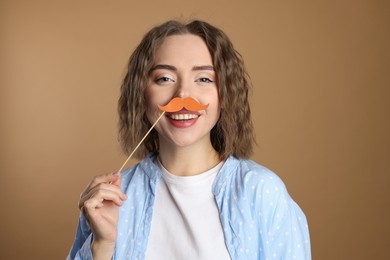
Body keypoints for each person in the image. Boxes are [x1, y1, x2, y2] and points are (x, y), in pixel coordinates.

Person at [67, 20, 311, 260]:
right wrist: (102, 245)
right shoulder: (112, 199)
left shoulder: (262, 192)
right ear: (141, 93)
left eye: (204, 79)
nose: (183, 94)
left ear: (225, 95)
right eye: (164, 78)